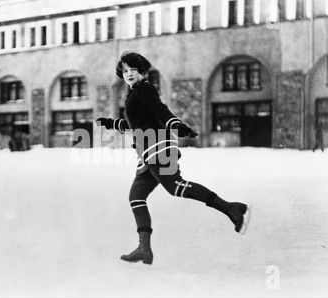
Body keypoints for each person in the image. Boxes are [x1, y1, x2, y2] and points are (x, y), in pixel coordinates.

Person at [96, 52, 250, 265]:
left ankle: (230, 208)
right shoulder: (134, 94)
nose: (128, 74)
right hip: (147, 152)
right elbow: (136, 123)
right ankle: (144, 249)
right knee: (136, 196)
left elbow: (160, 110)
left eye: (133, 69)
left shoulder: (145, 89)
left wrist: (175, 124)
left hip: (158, 147)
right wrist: (111, 123)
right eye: (124, 71)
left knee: (175, 186)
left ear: (142, 71)